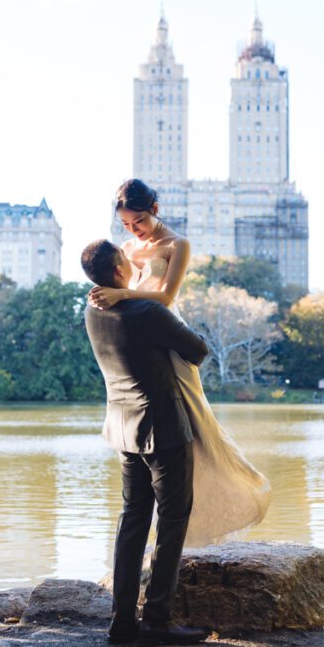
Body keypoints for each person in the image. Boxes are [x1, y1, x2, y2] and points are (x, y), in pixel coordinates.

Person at [89, 179, 271, 547]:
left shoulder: (178, 245)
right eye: (126, 224)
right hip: (138, 345)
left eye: (138, 221)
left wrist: (123, 293)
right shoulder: (125, 249)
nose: (133, 230)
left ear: (154, 209)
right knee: (144, 482)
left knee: (191, 418)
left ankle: (221, 490)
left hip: (166, 333)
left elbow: (166, 295)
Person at [81, 238, 209, 647]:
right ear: (121, 271)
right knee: (172, 523)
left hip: (123, 428)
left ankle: (121, 623)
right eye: (125, 259)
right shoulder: (146, 310)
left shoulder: (92, 310)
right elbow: (197, 350)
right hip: (164, 429)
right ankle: (156, 620)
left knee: (133, 521)